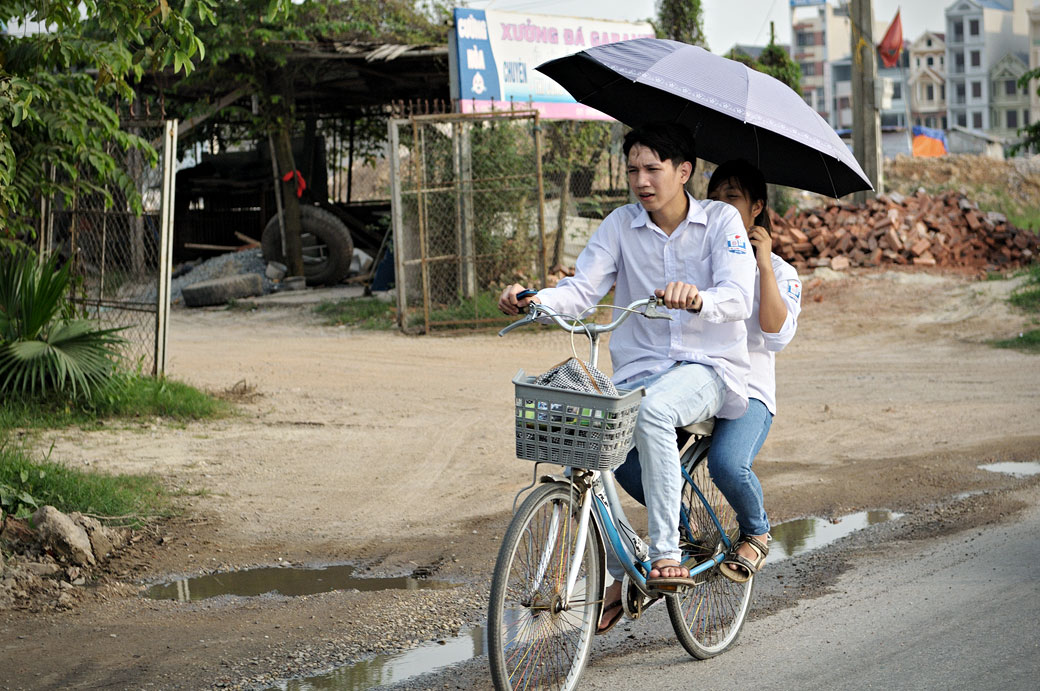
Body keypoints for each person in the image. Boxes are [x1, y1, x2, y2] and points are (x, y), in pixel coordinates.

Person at [498, 123, 757, 631]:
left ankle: (666, 554)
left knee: (656, 411)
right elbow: (582, 289)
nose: (641, 180)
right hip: (640, 369)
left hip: (708, 368)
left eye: (652, 169)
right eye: (633, 169)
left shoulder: (722, 221)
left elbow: (739, 296)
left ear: (683, 172)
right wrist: (535, 299)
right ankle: (620, 566)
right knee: (584, 431)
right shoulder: (619, 225)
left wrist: (699, 297)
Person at [614, 158, 801, 593]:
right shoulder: (700, 255)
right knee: (625, 459)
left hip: (747, 390)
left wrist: (765, 264)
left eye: (732, 198)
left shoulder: (783, 273)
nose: (720, 206)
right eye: (713, 197)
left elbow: (775, 336)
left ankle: (756, 531)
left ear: (757, 208)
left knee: (726, 464)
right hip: (691, 377)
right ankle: (684, 535)